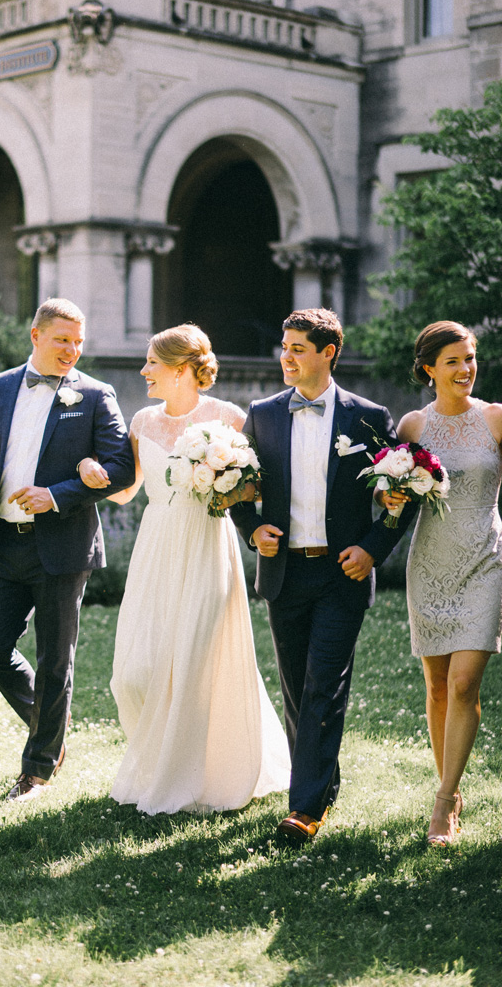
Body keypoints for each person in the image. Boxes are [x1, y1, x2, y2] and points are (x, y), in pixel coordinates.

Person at [80, 324, 290, 814]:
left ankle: (198, 774)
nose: (144, 371)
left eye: (152, 363)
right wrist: (96, 476)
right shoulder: (142, 421)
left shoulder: (229, 419)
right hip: (156, 546)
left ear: (180, 368)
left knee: (197, 662)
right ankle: (157, 760)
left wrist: (227, 482)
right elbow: (128, 490)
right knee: (135, 671)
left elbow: (255, 488)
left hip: (206, 544)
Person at [231, 308, 413, 844]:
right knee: (296, 689)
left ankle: (303, 809)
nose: (286, 357)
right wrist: (252, 529)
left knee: (322, 687)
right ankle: (322, 783)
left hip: (343, 574)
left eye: (297, 349)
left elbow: (405, 494)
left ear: (327, 352)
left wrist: (374, 548)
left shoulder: (368, 416)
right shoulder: (262, 414)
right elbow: (234, 485)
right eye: (283, 348)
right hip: (284, 573)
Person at [0, 297, 135, 800]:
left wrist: (56, 496)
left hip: (62, 546)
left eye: (78, 342)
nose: (72, 350)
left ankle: (37, 767)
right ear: (36, 336)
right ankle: (52, 725)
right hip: (3, 543)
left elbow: (121, 468)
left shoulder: (96, 395)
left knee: (57, 658)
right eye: (62, 340)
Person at [382, 321, 502, 846]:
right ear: (429, 368)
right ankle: (450, 786)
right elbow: (396, 503)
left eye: (471, 358)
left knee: (463, 683)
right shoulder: (413, 427)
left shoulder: (497, 420)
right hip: (428, 563)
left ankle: (443, 801)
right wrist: (389, 501)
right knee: (435, 687)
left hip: (485, 561)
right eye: (453, 360)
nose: (466, 369)